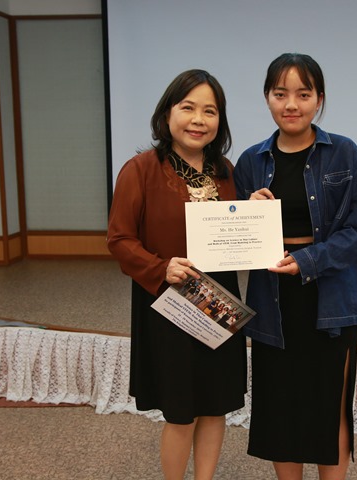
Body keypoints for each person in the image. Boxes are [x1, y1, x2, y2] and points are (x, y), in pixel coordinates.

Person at [233, 53, 357, 480]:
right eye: (280, 94)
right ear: (267, 98)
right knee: (280, 406)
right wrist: (245, 213)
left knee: (330, 403)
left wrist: (307, 261)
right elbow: (234, 241)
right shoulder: (250, 161)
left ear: (319, 99)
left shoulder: (345, 153)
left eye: (303, 94)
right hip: (272, 298)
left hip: (331, 295)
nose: (291, 104)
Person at [107, 69, 247, 480]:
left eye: (210, 111)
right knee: (181, 413)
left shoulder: (226, 171)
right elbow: (119, 239)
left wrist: (255, 212)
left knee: (216, 406)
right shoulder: (141, 169)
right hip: (169, 306)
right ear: (167, 113)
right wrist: (159, 267)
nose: (198, 120)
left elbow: (239, 230)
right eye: (188, 108)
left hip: (219, 303)